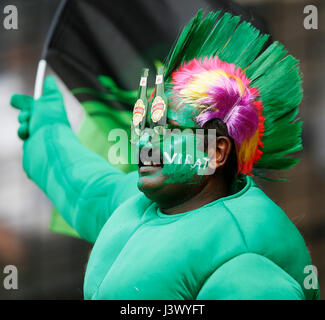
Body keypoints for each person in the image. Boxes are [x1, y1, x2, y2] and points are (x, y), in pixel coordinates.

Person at [10, 10, 320, 300]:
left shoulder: (247, 260)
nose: (145, 143)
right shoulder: (139, 203)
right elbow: (84, 186)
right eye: (145, 127)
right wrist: (46, 129)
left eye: (167, 129)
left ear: (215, 151)